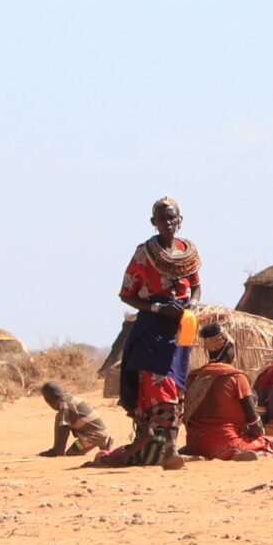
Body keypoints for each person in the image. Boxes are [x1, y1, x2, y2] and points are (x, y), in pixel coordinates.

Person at [112, 196, 200, 468]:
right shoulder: (143, 254)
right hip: (153, 330)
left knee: (176, 387)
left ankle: (169, 448)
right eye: (163, 218)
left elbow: (196, 285)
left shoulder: (189, 251)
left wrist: (193, 304)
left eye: (173, 218)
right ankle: (157, 445)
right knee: (156, 387)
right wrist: (159, 308)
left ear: (181, 220)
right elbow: (127, 294)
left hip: (181, 329)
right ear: (154, 222)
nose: (169, 223)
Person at [181, 322, 273, 460]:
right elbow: (255, 426)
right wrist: (258, 433)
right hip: (227, 442)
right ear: (228, 349)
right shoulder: (236, 377)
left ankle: (200, 455)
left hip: (196, 444)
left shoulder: (193, 377)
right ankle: (242, 453)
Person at [40, 381, 114, 456]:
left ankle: (101, 441)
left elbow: (64, 429)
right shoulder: (68, 398)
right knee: (60, 418)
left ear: (48, 400)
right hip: (97, 433)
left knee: (71, 452)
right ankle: (103, 443)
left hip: (93, 435)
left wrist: (57, 450)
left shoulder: (65, 404)